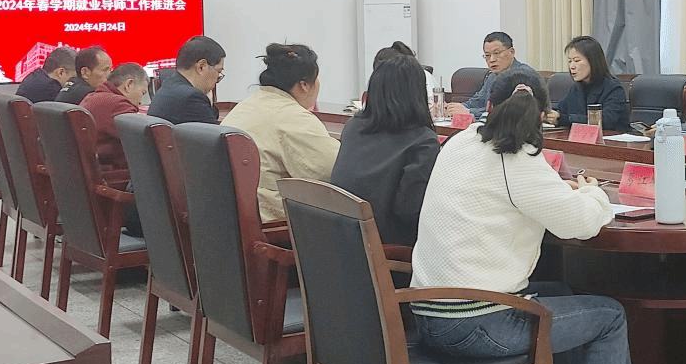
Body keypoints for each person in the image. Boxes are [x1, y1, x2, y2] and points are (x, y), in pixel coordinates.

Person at [412, 72, 649, 364]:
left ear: (488, 106)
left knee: (563, 295)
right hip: (476, 326)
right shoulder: (519, 157)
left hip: (429, 314)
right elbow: (580, 223)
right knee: (608, 317)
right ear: (543, 116)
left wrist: (558, 192)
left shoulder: (459, 143)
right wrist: (593, 192)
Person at [222, 43, 339, 222]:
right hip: (272, 223)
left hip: (234, 217)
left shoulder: (247, 105)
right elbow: (333, 172)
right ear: (304, 85)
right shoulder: (291, 116)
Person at [331, 54, 439, 247]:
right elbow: (410, 211)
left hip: (340, 240)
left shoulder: (353, 127)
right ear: (418, 94)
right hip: (385, 249)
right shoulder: (423, 141)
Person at [445, 31, 542, 117]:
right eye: (487, 55)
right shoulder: (493, 76)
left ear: (512, 52)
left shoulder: (524, 75)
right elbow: (478, 100)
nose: (492, 60)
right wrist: (453, 108)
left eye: (496, 53)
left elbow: (503, 111)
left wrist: (469, 112)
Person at [547, 35, 631, 133]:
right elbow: (561, 109)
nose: (572, 66)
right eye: (570, 61)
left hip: (610, 140)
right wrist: (548, 114)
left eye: (577, 61)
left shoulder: (614, 88)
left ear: (593, 61)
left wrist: (563, 119)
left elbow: (605, 121)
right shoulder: (577, 87)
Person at [79, 62, 150, 171]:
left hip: (89, 170)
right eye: (142, 92)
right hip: (113, 174)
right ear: (129, 84)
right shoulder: (119, 105)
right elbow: (143, 142)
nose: (140, 102)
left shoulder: (91, 97)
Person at [147, 35, 225, 125]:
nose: (217, 79)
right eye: (218, 71)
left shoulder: (168, 86)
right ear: (201, 67)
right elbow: (214, 132)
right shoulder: (192, 98)